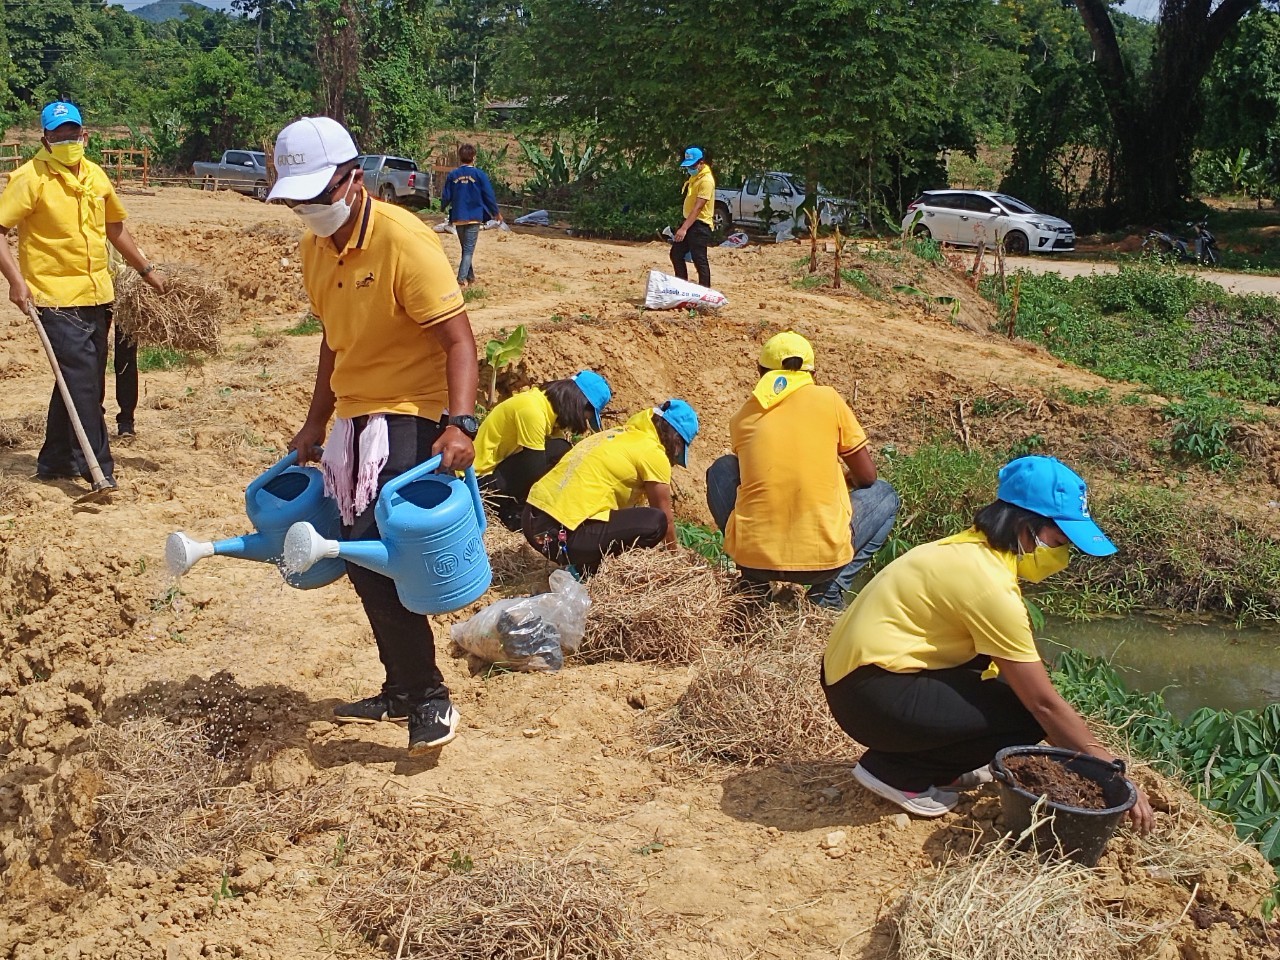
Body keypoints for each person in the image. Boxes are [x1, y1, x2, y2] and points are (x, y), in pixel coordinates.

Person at [274, 116, 480, 756]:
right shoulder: (315, 248)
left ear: (353, 179)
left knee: (370, 551)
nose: (310, 210)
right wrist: (316, 420)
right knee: (359, 560)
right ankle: (399, 687)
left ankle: (429, 697)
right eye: (298, 199)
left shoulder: (402, 240)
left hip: (411, 410)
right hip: (354, 417)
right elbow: (333, 344)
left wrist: (459, 423)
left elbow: (459, 340)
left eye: (318, 195)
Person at [821, 455, 1155, 832]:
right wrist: (1108, 771)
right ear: (1026, 527)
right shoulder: (988, 585)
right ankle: (899, 774)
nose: (1063, 554)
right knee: (1024, 713)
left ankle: (942, 766)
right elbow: (1043, 704)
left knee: (997, 680)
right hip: (871, 696)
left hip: (859, 682)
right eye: (1060, 540)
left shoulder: (969, 551)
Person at [0, 101, 164, 486]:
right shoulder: (30, 178)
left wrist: (146, 270)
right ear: (45, 138)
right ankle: (98, 470)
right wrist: (15, 281)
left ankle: (55, 459)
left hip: (97, 296)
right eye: (58, 134)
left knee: (78, 378)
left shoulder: (95, 176)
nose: (67, 140)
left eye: (73, 133)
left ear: (85, 135)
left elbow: (115, 228)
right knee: (85, 382)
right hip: (53, 298)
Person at [706, 331, 899, 610]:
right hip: (823, 564)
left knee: (721, 470)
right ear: (812, 372)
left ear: (760, 372)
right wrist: (843, 477)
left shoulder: (743, 416)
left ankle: (753, 583)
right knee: (884, 494)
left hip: (757, 560)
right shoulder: (829, 399)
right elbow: (868, 476)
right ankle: (829, 592)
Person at [523, 399, 699, 573]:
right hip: (556, 538)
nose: (674, 458)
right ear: (675, 440)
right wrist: (676, 560)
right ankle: (584, 571)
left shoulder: (615, 435)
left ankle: (583, 564)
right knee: (655, 521)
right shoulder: (653, 453)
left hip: (532, 521)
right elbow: (665, 519)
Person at [474, 370, 613, 531]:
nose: (585, 421)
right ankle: (514, 512)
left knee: (562, 450)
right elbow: (535, 471)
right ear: (580, 404)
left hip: (495, 476)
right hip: (479, 484)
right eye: (588, 416)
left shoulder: (545, 408)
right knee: (556, 452)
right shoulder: (532, 411)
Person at [440, 144, 500, 288]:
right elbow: (488, 195)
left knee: (466, 249)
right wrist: (496, 213)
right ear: (473, 157)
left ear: (459, 157)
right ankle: (461, 280)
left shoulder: (453, 175)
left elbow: (446, 195)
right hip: (474, 216)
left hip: (458, 217)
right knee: (468, 250)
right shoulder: (480, 175)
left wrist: (442, 207)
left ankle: (471, 278)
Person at [670, 146, 715, 288]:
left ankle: (705, 292)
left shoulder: (706, 180)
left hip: (699, 225)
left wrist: (683, 228)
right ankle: (681, 286)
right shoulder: (695, 177)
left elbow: (698, 207)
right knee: (676, 254)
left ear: (701, 163)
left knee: (699, 259)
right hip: (690, 222)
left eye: (693, 165)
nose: (690, 168)